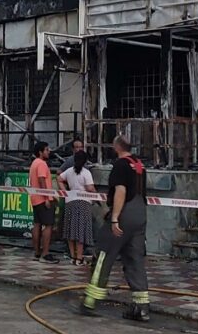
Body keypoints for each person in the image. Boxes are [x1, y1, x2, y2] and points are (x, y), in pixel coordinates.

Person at [80, 135, 150, 322]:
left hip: (124, 214)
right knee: (134, 259)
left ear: (116, 147)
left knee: (104, 255)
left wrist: (115, 219)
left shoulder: (120, 165)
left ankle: (90, 300)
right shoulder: (139, 165)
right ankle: (141, 308)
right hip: (140, 215)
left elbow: (121, 191)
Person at [58, 151, 96, 266]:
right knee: (80, 231)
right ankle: (79, 258)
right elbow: (90, 188)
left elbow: (59, 178)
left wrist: (65, 191)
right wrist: (96, 195)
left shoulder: (69, 171)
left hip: (70, 201)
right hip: (83, 203)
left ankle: (73, 256)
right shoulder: (86, 172)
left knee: (71, 230)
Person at [29, 141, 59, 263]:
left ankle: (37, 252)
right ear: (41, 152)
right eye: (46, 150)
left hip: (35, 198)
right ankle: (45, 253)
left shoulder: (34, 163)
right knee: (48, 225)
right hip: (43, 199)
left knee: (37, 224)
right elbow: (42, 180)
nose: (49, 151)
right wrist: (47, 197)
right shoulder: (41, 164)